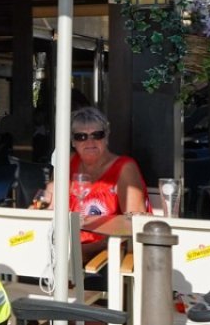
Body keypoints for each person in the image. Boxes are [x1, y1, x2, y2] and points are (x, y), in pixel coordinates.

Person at [34, 106, 149, 261]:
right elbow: (50, 204)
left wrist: (84, 249)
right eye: (81, 136)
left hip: (107, 255)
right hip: (66, 250)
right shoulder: (67, 162)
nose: (90, 142)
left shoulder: (124, 168)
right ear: (73, 141)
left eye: (97, 135)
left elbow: (135, 224)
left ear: (106, 137)